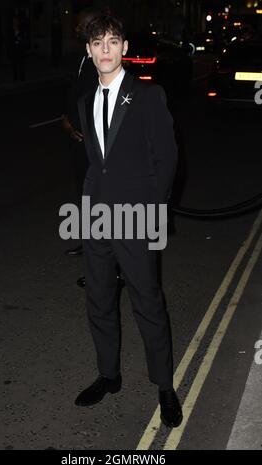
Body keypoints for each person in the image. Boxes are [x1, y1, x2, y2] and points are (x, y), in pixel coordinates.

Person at [74, 14, 183, 428]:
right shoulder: (86, 101)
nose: (105, 49)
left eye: (112, 41)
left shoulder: (148, 95)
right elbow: (97, 164)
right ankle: (109, 374)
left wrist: (151, 212)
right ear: (89, 50)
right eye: (97, 42)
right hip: (97, 218)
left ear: (124, 48)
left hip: (136, 218)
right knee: (99, 300)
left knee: (148, 303)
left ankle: (165, 386)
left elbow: (168, 160)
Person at [62, 8, 125, 289]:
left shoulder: (104, 65)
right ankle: (92, 251)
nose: (77, 30)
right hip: (79, 143)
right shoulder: (83, 58)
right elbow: (75, 95)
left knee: (105, 207)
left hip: (97, 147)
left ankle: (109, 268)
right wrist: (67, 120)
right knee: (87, 200)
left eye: (83, 27)